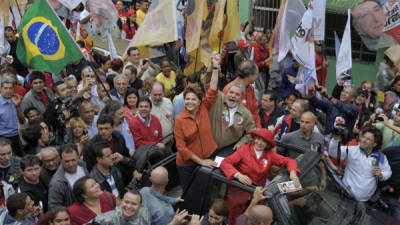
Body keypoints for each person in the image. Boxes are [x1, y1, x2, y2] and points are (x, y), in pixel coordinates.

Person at [220, 128, 300, 224]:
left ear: (268, 144)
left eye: (263, 141)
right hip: (238, 194)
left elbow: (289, 161)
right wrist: (238, 175)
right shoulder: (243, 149)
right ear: (254, 139)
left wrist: (293, 174)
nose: (259, 143)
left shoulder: (270, 155)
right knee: (234, 221)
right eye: (258, 139)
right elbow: (225, 163)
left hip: (258, 196)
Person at [174, 53, 220, 190]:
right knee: (192, 194)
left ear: (200, 101)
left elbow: (212, 89)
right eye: (187, 99)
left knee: (207, 189)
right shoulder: (179, 120)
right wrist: (201, 162)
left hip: (208, 157)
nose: (190, 102)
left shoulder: (205, 108)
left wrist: (216, 68)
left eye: (193, 99)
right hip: (187, 166)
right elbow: (181, 149)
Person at [328, 126, 391, 201]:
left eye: (368, 139)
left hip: (364, 201)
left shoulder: (381, 157)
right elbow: (333, 152)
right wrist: (336, 138)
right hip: (345, 194)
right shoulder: (352, 150)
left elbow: (388, 172)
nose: (363, 140)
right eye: (364, 137)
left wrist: (380, 175)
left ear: (374, 144)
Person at [210, 81, 256, 150]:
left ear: (242, 98)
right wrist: (214, 71)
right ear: (227, 92)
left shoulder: (246, 114)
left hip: (227, 150)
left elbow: (252, 133)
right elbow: (208, 84)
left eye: (237, 94)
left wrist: (241, 143)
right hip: (208, 146)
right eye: (231, 92)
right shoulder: (218, 98)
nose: (233, 96)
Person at [48, 144, 89, 209]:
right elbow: (53, 207)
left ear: (78, 157)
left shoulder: (82, 165)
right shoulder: (56, 183)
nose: (71, 164)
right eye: (67, 161)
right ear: (60, 159)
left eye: (73, 160)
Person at [223, 61, 261, 128]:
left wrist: (257, 129)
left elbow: (255, 111)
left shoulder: (250, 89)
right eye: (256, 74)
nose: (257, 76)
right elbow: (224, 115)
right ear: (250, 75)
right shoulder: (229, 89)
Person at [0, 76, 25, 156]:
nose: (8, 91)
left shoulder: (17, 99)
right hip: (3, 137)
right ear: (1, 89)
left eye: (10, 88)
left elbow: (22, 121)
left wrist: (17, 106)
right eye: (5, 88)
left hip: (18, 136)